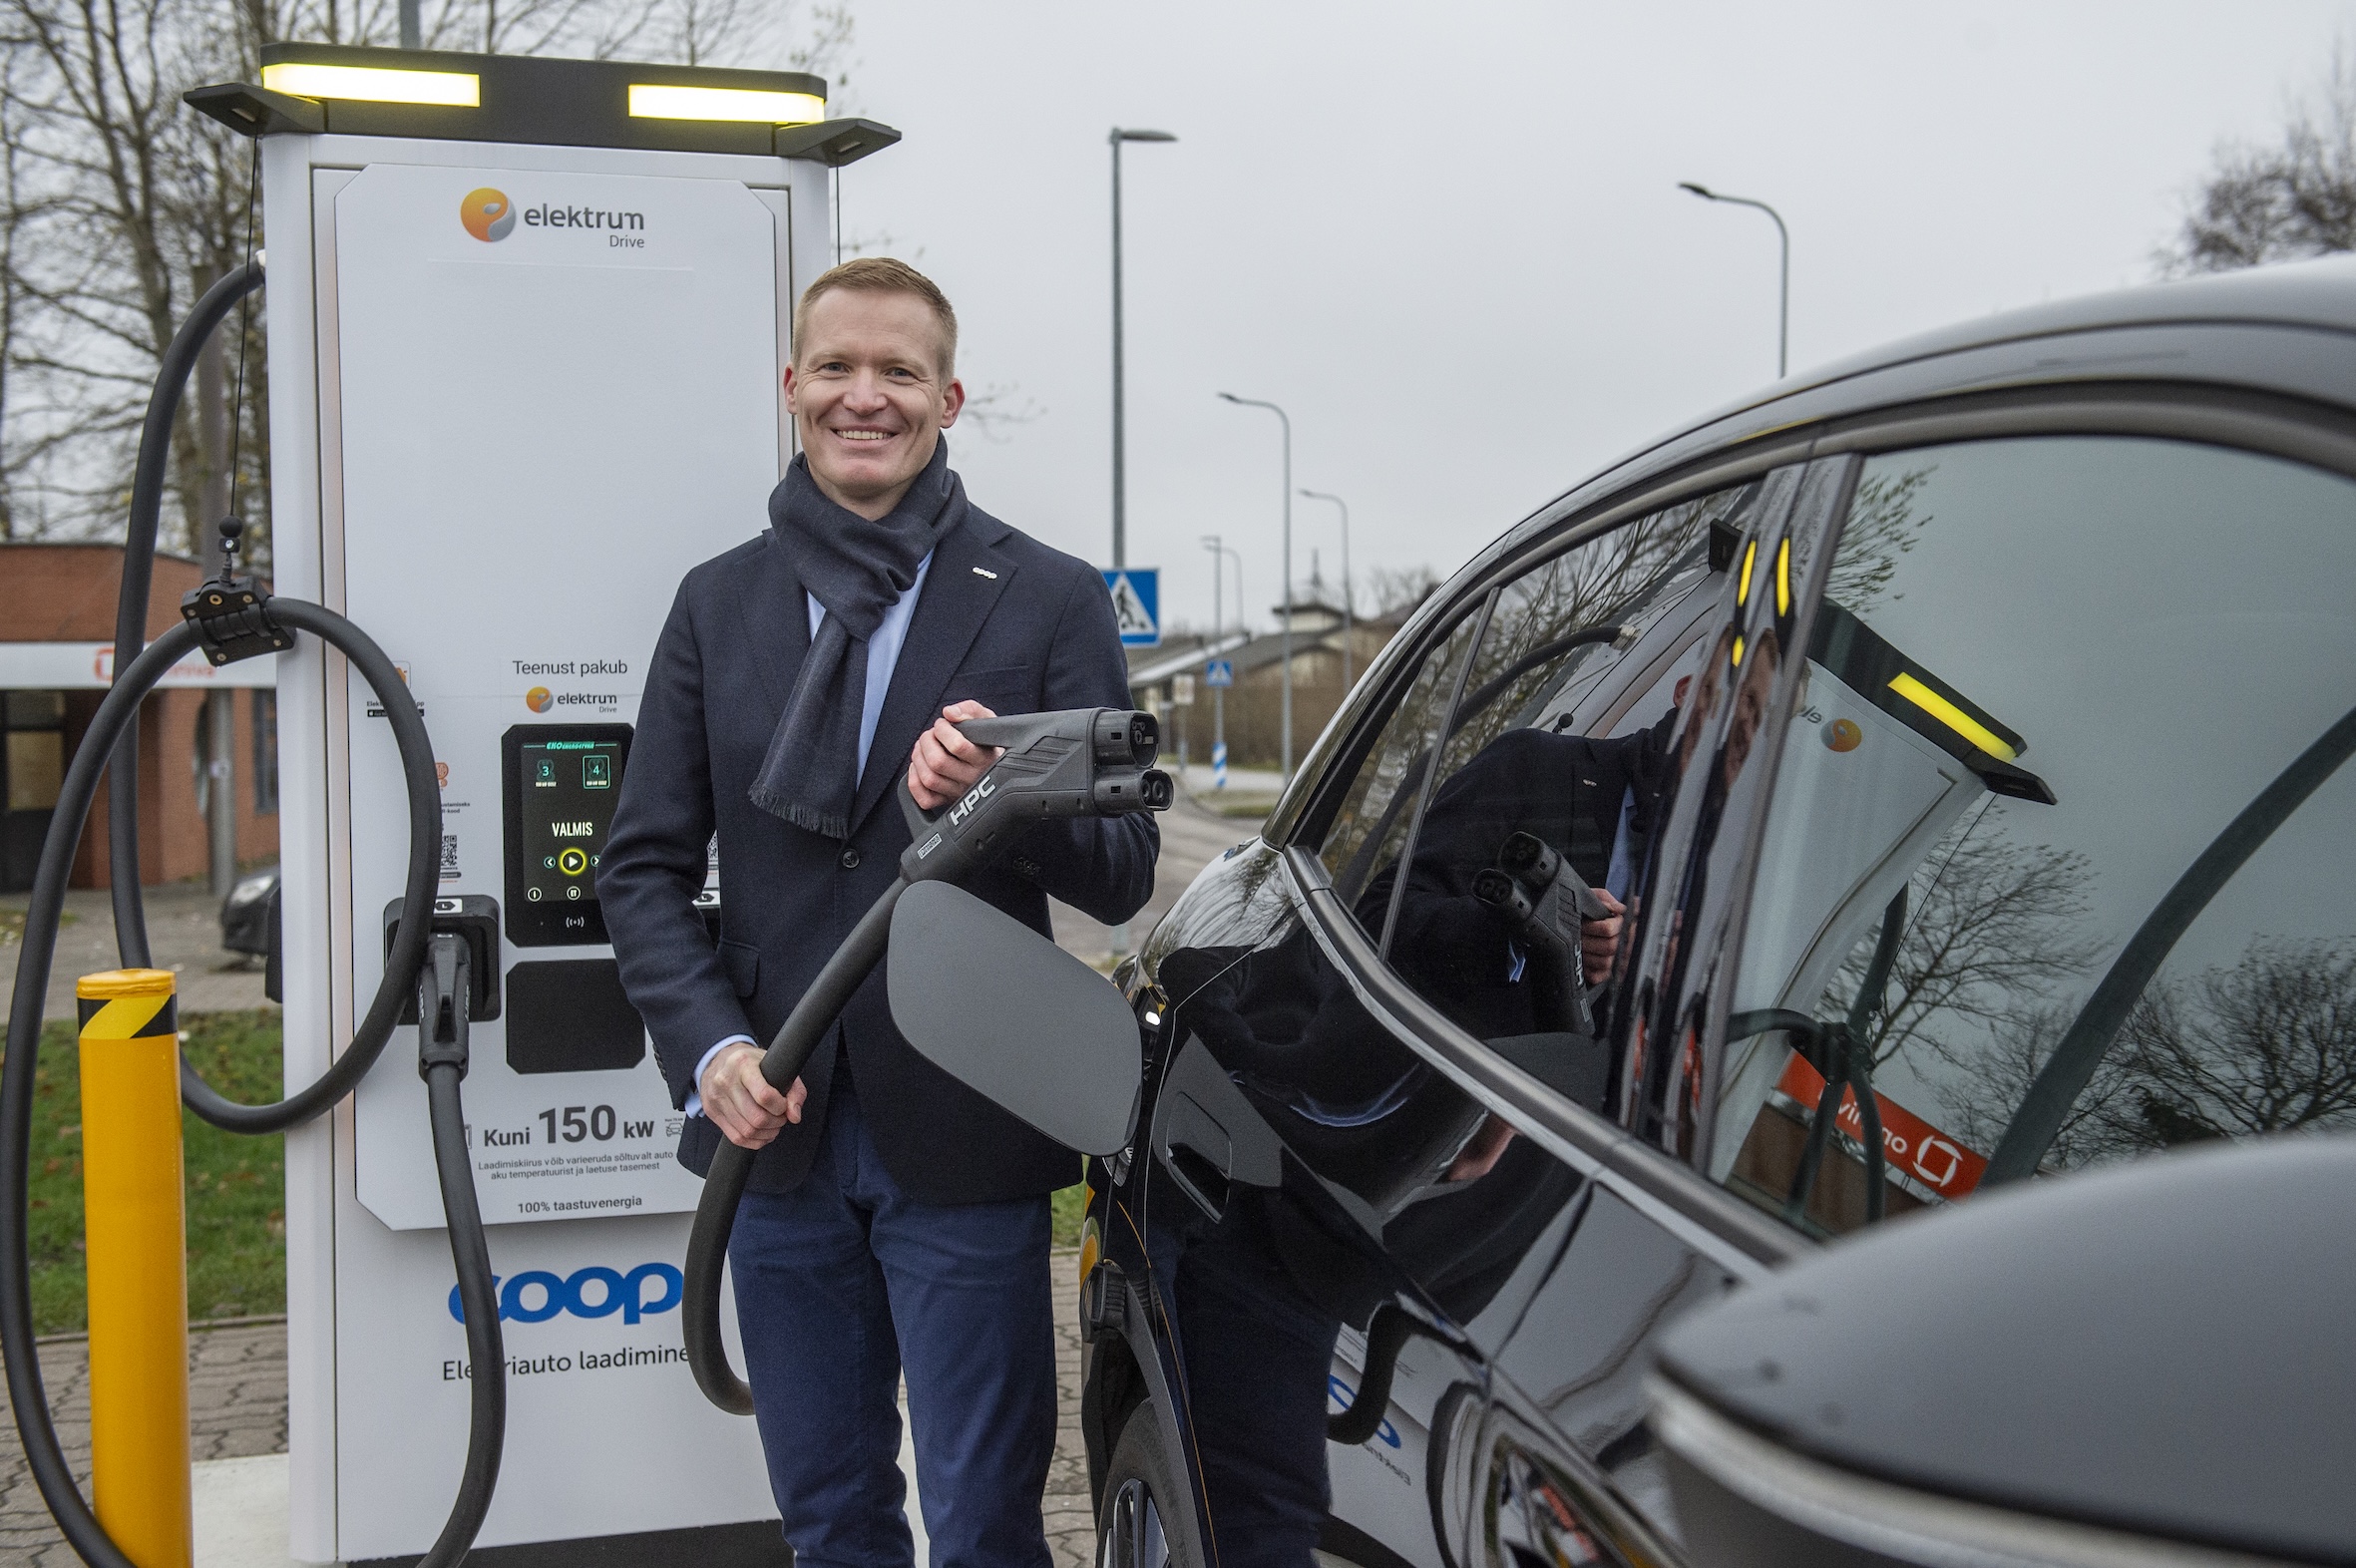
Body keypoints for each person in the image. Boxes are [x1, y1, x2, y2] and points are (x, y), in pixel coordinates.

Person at [599, 256, 1157, 1567]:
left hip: (963, 1126)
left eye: (898, 372)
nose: (867, 397)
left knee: (979, 1522)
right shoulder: (716, 601)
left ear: (947, 397)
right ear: (790, 388)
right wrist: (713, 1053)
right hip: (774, 1121)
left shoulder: (1046, 596)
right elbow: (641, 868)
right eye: (838, 368)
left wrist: (1006, 792)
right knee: (829, 1516)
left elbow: (1126, 868)